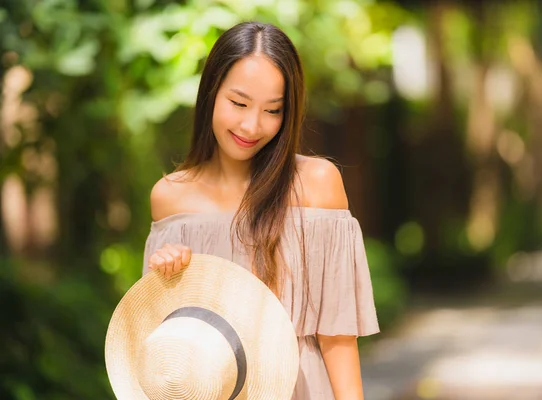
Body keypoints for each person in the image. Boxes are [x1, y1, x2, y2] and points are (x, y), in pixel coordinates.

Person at [143, 21, 379, 399]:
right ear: (210, 94)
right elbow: (166, 344)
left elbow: (337, 336)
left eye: (273, 110)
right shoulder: (171, 197)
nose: (252, 125)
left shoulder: (316, 183)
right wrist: (169, 278)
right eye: (238, 103)